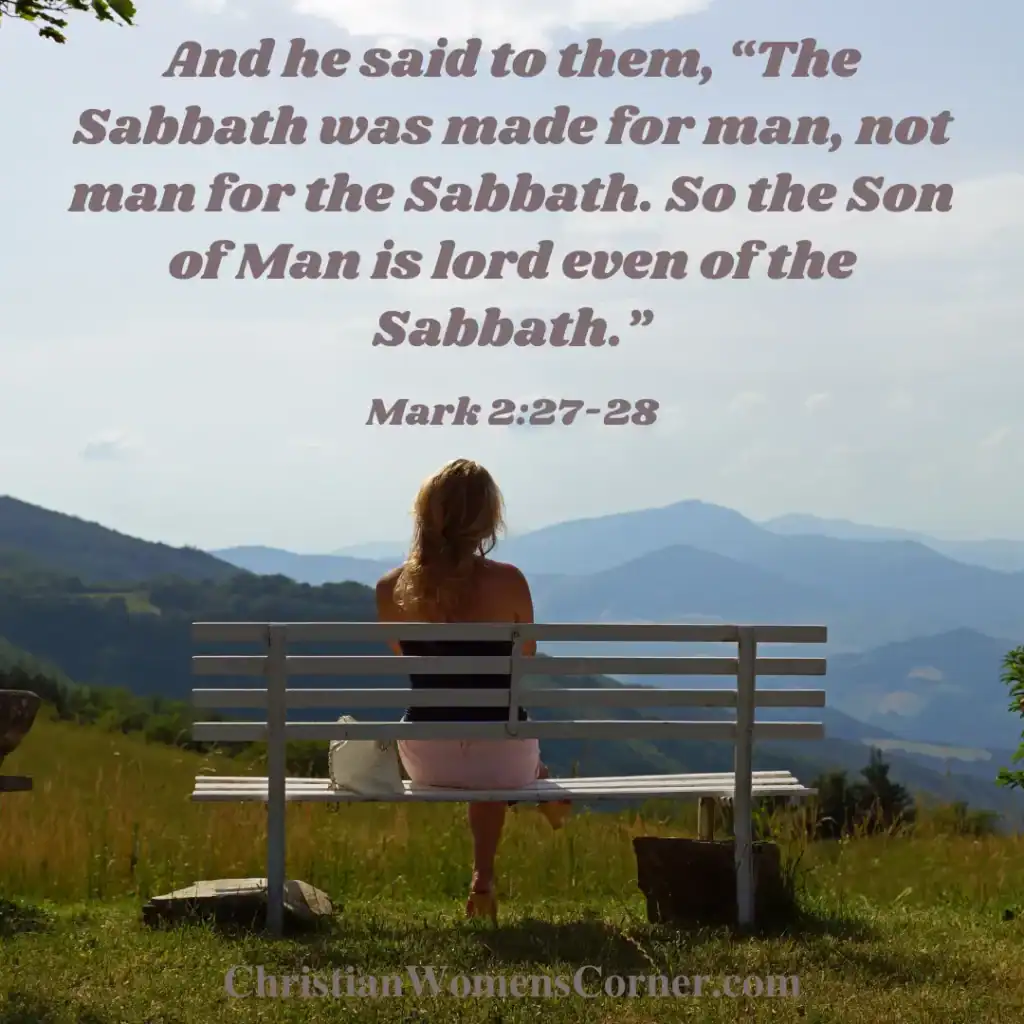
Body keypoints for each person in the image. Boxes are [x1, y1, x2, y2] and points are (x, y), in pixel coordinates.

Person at [375, 458, 569, 923]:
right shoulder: (510, 582)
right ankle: (489, 867)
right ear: (488, 518)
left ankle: (533, 793)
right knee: (497, 741)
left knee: (485, 740)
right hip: (502, 754)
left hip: (426, 758)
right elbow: (526, 657)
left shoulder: (391, 588)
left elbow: (403, 657)